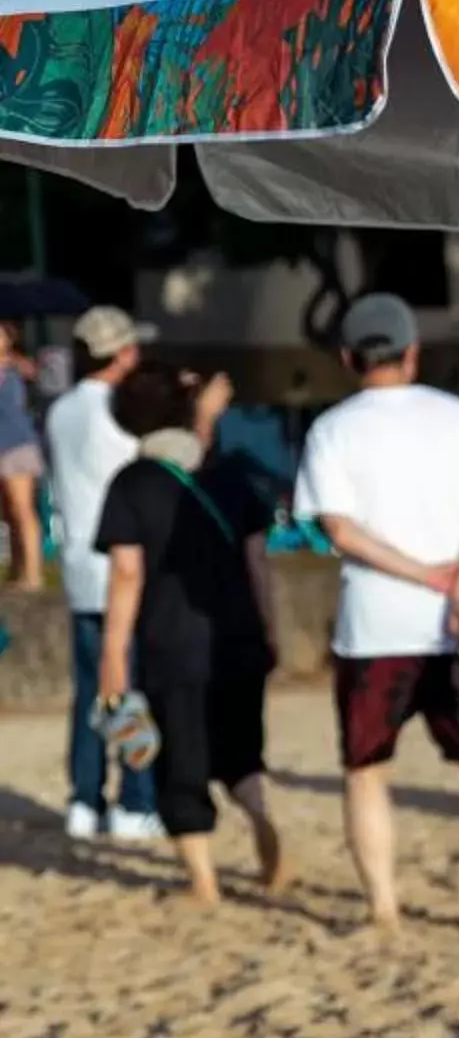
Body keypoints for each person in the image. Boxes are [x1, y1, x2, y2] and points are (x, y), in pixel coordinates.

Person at [293, 294, 459, 942]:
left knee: (366, 771)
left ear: (350, 358)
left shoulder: (332, 428)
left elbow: (341, 531)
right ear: (412, 352)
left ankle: (385, 910)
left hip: (377, 626)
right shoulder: (457, 416)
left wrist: (423, 575)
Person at [94, 361, 286, 907]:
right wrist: (268, 630)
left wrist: (113, 652)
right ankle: (261, 819)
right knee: (240, 754)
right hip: (238, 640)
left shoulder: (132, 483)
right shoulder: (229, 477)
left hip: (170, 646)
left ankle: (204, 884)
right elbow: (258, 562)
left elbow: (128, 574)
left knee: (180, 767)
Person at [43, 305, 163, 844]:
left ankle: (83, 800)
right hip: (122, 564)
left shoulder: (60, 411)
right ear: (122, 354)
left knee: (91, 691)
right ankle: (135, 801)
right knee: (130, 688)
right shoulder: (117, 414)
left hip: (76, 566)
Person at [0, 316, 45, 587]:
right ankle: (18, 570)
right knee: (9, 513)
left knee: (23, 510)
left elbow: (32, 371)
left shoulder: (14, 367)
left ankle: (33, 573)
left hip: (17, 445)